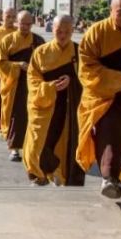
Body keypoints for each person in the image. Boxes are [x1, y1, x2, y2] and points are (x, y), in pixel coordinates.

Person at [76, 0, 121, 199]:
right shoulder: (96, 32)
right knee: (110, 130)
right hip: (106, 95)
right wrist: (117, 78)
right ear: (111, 10)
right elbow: (86, 67)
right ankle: (109, 177)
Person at [24, 15, 84, 186]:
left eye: (67, 31)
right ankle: (43, 172)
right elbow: (33, 80)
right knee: (37, 143)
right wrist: (51, 87)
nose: (63, 35)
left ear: (73, 30)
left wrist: (72, 82)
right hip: (45, 105)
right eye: (59, 31)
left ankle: (61, 173)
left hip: (70, 105)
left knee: (66, 142)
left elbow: (89, 78)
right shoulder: (41, 52)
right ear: (53, 30)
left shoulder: (79, 53)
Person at [0, 10, 45, 161]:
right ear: (16, 23)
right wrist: (18, 65)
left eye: (28, 24)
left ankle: (34, 148)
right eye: (22, 23)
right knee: (17, 116)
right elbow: (1, 63)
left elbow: (47, 61)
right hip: (16, 84)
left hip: (35, 83)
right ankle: (15, 149)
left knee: (35, 115)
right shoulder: (8, 40)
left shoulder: (38, 41)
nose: (25, 27)